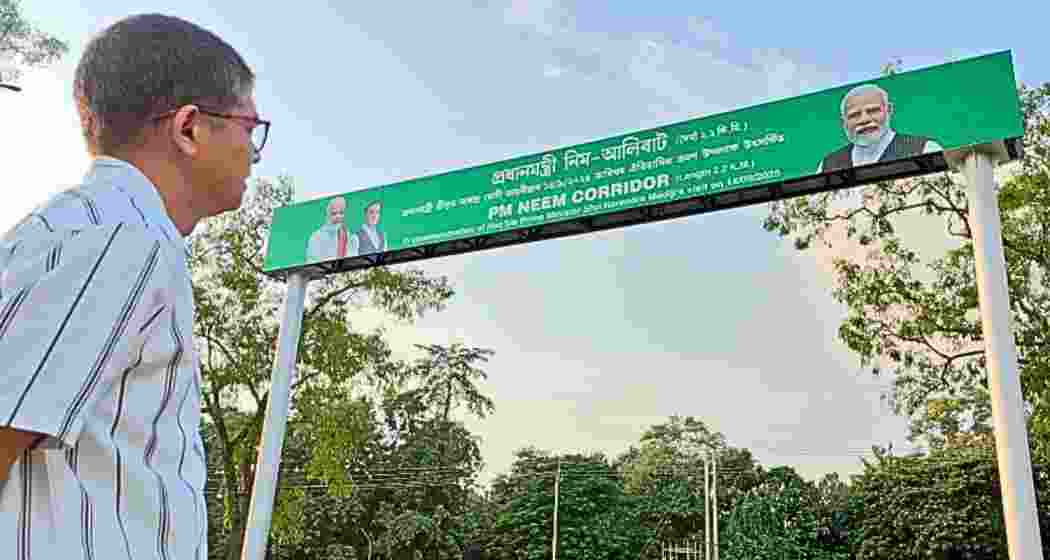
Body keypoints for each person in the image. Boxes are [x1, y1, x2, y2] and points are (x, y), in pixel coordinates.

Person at [0, 14, 266, 559]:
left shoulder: (80, 228)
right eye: (250, 130)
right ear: (189, 128)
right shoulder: (120, 237)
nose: (254, 155)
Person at [818, 84, 942, 173]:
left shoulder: (925, 149)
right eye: (854, 115)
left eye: (872, 111)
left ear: (889, 110)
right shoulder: (828, 165)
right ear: (844, 122)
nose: (864, 120)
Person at [306, 196, 353, 261]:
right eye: (334, 213)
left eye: (341, 213)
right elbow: (312, 261)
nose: (338, 216)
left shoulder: (347, 234)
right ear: (327, 215)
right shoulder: (316, 237)